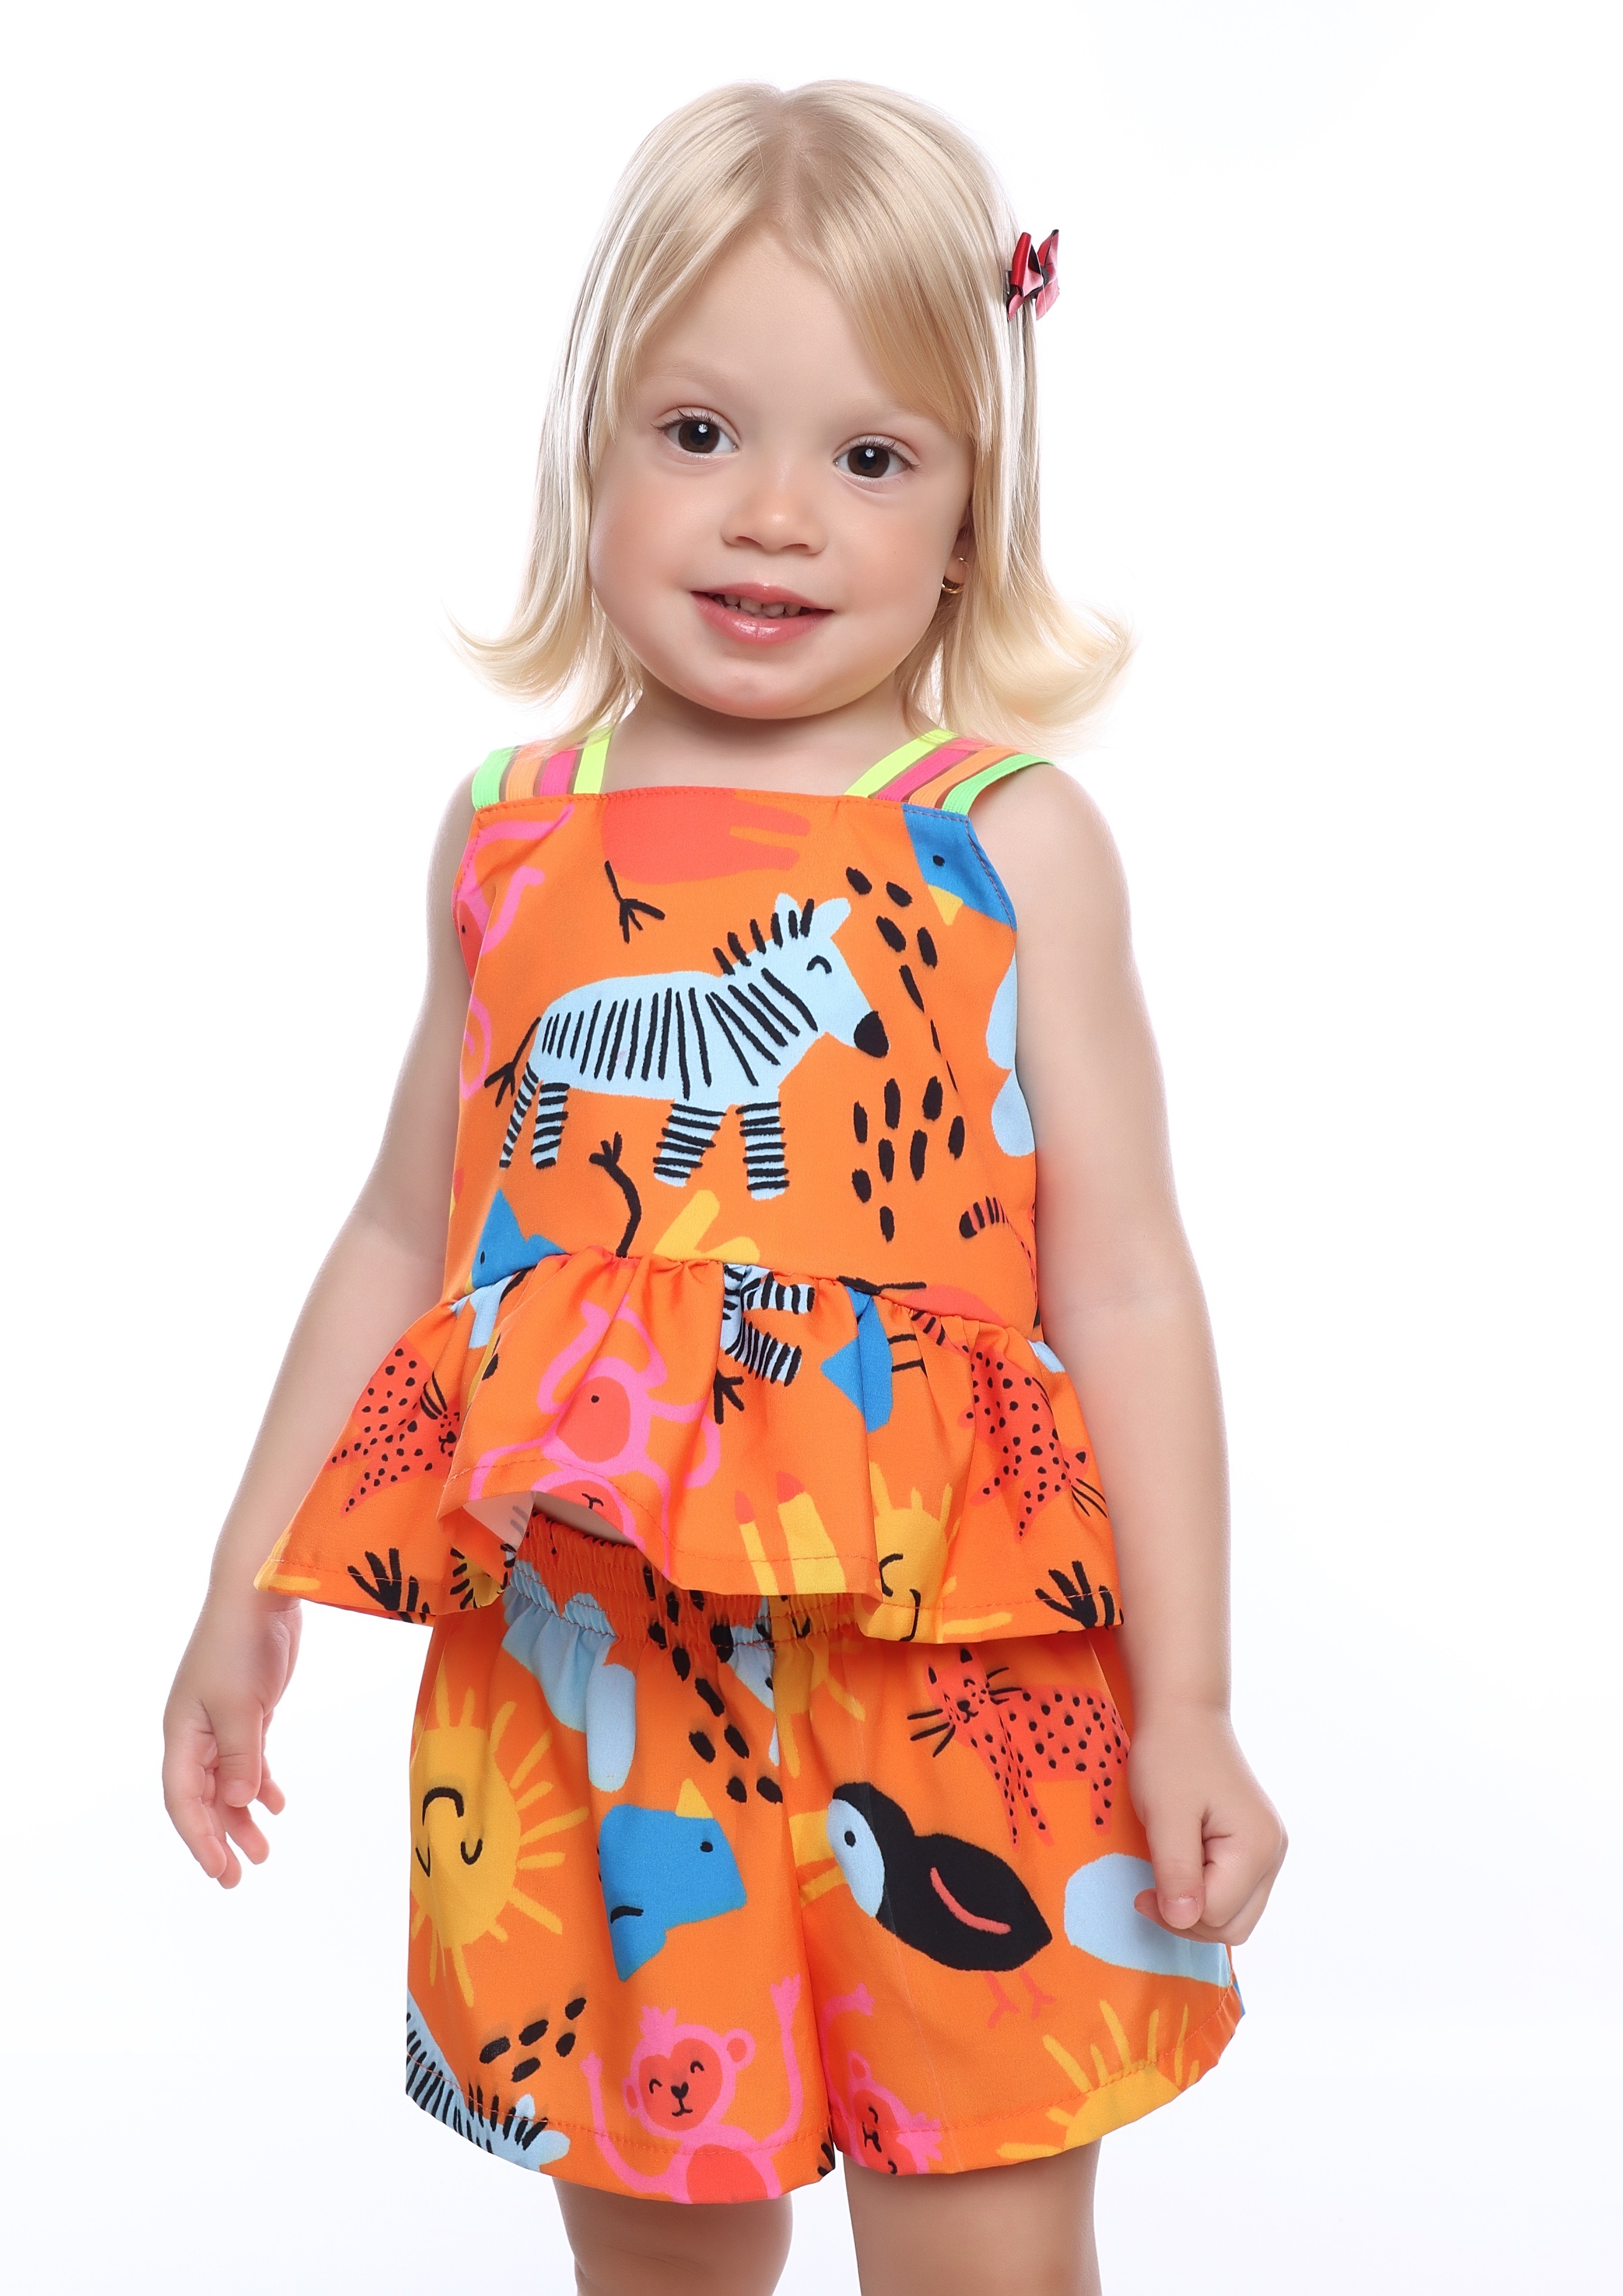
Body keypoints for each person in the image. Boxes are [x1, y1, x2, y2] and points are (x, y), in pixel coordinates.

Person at [163, 80, 1285, 2296]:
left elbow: (1128, 1289)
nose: (774, 515)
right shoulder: (512, 830)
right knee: (662, 2249)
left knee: (981, 2243)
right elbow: (406, 1229)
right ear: (591, 451)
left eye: (870, 457)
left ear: (968, 515)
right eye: (697, 433)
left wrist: (1186, 1700)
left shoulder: (1004, 839)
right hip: (590, 1671)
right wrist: (242, 1579)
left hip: (940, 1672)